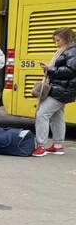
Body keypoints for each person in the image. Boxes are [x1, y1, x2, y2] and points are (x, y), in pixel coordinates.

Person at [32, 27, 76, 157]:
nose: (56, 43)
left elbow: (71, 71)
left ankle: (40, 146)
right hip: (62, 89)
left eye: (58, 40)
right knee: (57, 117)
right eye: (55, 40)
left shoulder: (72, 51)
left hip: (62, 89)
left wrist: (49, 69)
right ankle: (58, 145)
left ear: (67, 39)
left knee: (42, 114)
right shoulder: (67, 50)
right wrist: (50, 69)